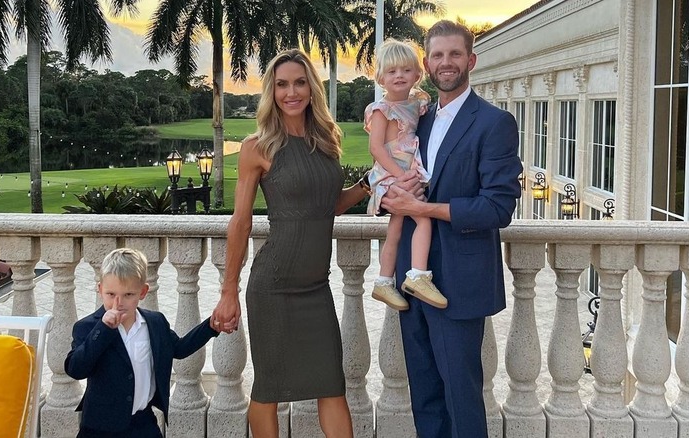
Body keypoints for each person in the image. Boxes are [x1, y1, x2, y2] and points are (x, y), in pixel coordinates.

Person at [209, 48, 367, 438]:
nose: (291, 92)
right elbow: (241, 223)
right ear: (271, 91)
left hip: (316, 287)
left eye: (299, 83)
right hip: (273, 285)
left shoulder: (327, 140)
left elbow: (327, 205)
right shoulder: (257, 147)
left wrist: (365, 187)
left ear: (312, 89)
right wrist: (228, 290)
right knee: (270, 390)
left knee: (332, 385)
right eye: (282, 84)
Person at [380, 20, 523, 438]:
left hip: (460, 282)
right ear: (426, 64)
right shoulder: (416, 119)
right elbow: (394, 170)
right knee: (424, 392)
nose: (446, 63)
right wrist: (387, 196)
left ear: (471, 60)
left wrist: (423, 206)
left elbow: (497, 207)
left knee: (461, 394)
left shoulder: (494, 123)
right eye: (438, 55)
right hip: (412, 275)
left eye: (455, 54)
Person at [65, 247, 220, 437]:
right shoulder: (87, 327)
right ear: (100, 290)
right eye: (111, 294)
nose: (118, 303)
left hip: (143, 422)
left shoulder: (154, 323)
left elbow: (179, 348)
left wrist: (211, 327)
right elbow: (76, 369)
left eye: (128, 294)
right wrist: (103, 330)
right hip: (100, 427)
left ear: (143, 291)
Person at [364, 38, 447, 312]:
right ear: (380, 77)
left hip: (407, 172)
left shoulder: (417, 104)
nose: (398, 76)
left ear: (417, 74)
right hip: (392, 174)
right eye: (391, 71)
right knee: (423, 219)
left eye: (405, 70)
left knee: (396, 229)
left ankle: (384, 281)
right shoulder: (381, 110)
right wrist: (400, 175)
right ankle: (418, 275)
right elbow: (376, 147)